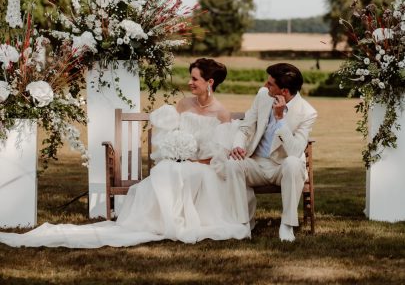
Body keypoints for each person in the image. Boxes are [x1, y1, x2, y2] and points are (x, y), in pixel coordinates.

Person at [0, 58, 250, 248]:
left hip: (204, 167)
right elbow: (167, 137)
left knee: (177, 171)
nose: (189, 83)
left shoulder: (222, 114)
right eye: (190, 77)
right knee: (166, 169)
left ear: (210, 82)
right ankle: (160, 222)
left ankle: (173, 222)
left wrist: (192, 160)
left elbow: (219, 154)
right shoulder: (183, 104)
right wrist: (174, 152)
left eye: (194, 79)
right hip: (178, 161)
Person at [226, 62, 317, 242]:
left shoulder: (307, 112)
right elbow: (246, 127)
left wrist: (280, 119)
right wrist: (238, 145)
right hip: (256, 163)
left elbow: (294, 150)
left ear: (283, 91)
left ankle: (287, 225)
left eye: (270, 84)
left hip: (282, 167)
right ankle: (243, 223)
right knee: (232, 163)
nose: (265, 86)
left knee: (293, 163)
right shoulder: (262, 96)